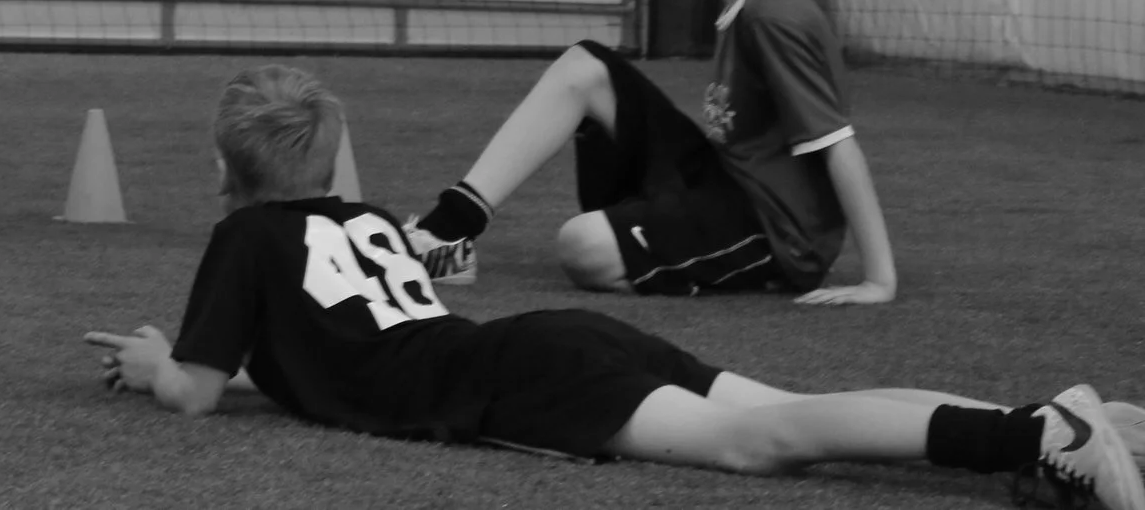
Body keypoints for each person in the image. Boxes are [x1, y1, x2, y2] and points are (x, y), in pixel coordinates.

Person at [84, 65, 1144, 509]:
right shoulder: (366, 220)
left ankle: (1035, 439)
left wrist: (151, 361)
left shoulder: (246, 238)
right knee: (784, 411)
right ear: (328, 166)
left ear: (227, 171)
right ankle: (1045, 422)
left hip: (526, 378)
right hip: (552, 335)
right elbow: (348, 331)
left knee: (766, 440)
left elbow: (194, 388)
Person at [402, 0, 898, 304]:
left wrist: (878, 280)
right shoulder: (752, 3)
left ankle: (667, 247)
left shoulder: (775, 17)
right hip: (725, 182)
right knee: (586, 67)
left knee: (582, 245)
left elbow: (838, 142)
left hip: (773, 230)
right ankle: (448, 231)